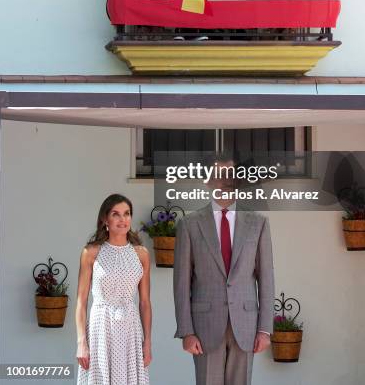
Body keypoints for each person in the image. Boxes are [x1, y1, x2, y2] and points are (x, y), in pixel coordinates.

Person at [173, 158, 275, 385]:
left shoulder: (258, 223)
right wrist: (186, 331)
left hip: (246, 325)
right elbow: (181, 283)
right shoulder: (189, 224)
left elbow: (266, 278)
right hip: (204, 327)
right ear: (208, 182)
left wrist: (265, 329)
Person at [76, 194, 151, 385]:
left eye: (126, 214)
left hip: (130, 328)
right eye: (116, 214)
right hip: (100, 327)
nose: (122, 219)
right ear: (105, 219)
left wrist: (148, 342)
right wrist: (81, 343)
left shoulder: (141, 254)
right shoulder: (91, 252)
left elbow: (144, 302)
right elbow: (81, 301)